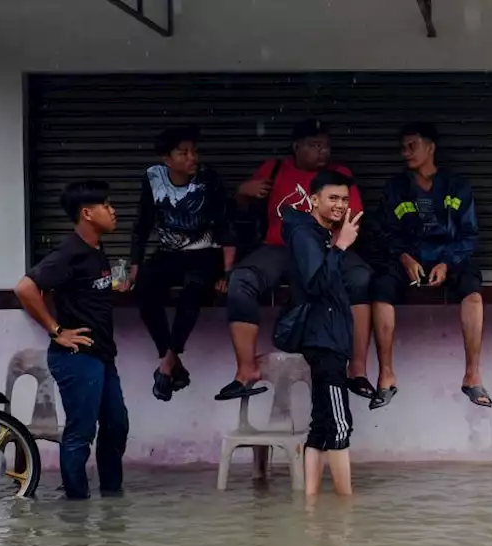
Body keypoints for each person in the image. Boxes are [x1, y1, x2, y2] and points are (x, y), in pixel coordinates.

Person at [220, 118, 376, 401]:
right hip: (279, 248)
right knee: (241, 280)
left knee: (361, 279)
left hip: (329, 246)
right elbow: (241, 212)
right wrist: (243, 192)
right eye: (315, 145)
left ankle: (358, 369)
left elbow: (353, 216)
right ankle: (246, 371)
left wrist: (335, 245)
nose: (323, 152)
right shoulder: (275, 168)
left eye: (326, 146)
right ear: (296, 146)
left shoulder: (339, 174)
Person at [13, 181, 130, 500]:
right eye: (106, 205)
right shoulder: (69, 252)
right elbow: (25, 288)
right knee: (81, 433)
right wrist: (56, 330)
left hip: (103, 354)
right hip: (77, 357)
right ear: (87, 213)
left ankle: (111, 500)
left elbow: (86, 291)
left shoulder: (95, 249)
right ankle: (76, 507)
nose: (113, 210)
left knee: (116, 426)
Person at [371, 122, 491, 409]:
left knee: (472, 292)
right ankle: (386, 376)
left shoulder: (456, 186)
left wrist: (447, 263)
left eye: (412, 146)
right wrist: (404, 257)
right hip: (407, 259)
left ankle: (472, 376)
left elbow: (469, 234)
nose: (406, 153)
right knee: (379, 288)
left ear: (431, 147)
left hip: (448, 258)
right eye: (402, 148)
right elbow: (385, 231)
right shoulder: (396, 188)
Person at [128, 126, 235, 401]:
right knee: (144, 289)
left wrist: (227, 271)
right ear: (167, 159)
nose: (192, 157)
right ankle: (172, 360)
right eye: (184, 152)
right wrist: (135, 266)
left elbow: (224, 225)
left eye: (194, 151)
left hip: (205, 253)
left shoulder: (208, 178)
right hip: (169, 252)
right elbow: (142, 224)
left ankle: (166, 365)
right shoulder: (153, 178)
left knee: (194, 290)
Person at [281, 170, 362, 496]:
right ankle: (346, 509)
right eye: (333, 198)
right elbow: (316, 285)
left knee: (321, 424)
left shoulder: (318, 233)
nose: (340, 205)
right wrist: (341, 247)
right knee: (340, 424)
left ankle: (310, 507)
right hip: (324, 339)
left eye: (344, 199)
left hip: (327, 337)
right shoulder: (307, 234)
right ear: (313, 199)